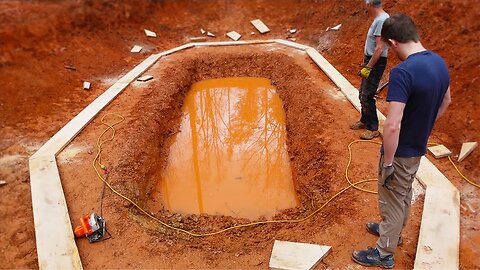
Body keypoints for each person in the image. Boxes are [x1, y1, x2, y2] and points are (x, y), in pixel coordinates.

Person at [351, 13, 451, 268]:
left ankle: (384, 253)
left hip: (401, 149)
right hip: (417, 147)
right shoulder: (439, 62)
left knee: (392, 197)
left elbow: (393, 125)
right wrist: (424, 126)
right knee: (403, 193)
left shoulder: (403, 73)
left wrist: (388, 162)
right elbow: (446, 101)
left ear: (393, 43)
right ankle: (392, 232)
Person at [350, 0, 389, 140]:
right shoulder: (378, 19)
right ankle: (364, 120)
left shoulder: (382, 20)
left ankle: (373, 128)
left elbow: (379, 48)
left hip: (376, 62)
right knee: (362, 92)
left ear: (369, 5)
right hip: (371, 60)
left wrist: (368, 67)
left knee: (367, 95)